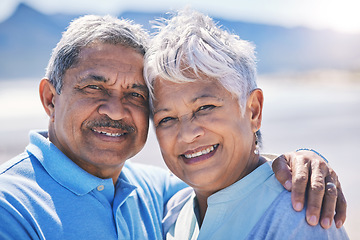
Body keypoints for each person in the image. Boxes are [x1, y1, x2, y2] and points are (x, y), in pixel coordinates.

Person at [0, 14, 345, 239]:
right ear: (49, 98)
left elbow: (234, 177)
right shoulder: (10, 206)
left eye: (134, 94)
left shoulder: (157, 192)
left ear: (253, 110)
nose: (116, 111)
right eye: (94, 87)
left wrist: (296, 163)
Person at [143, 9, 349, 239]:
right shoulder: (175, 213)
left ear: (253, 110)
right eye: (167, 119)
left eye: (204, 108)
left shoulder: (299, 218)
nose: (187, 134)